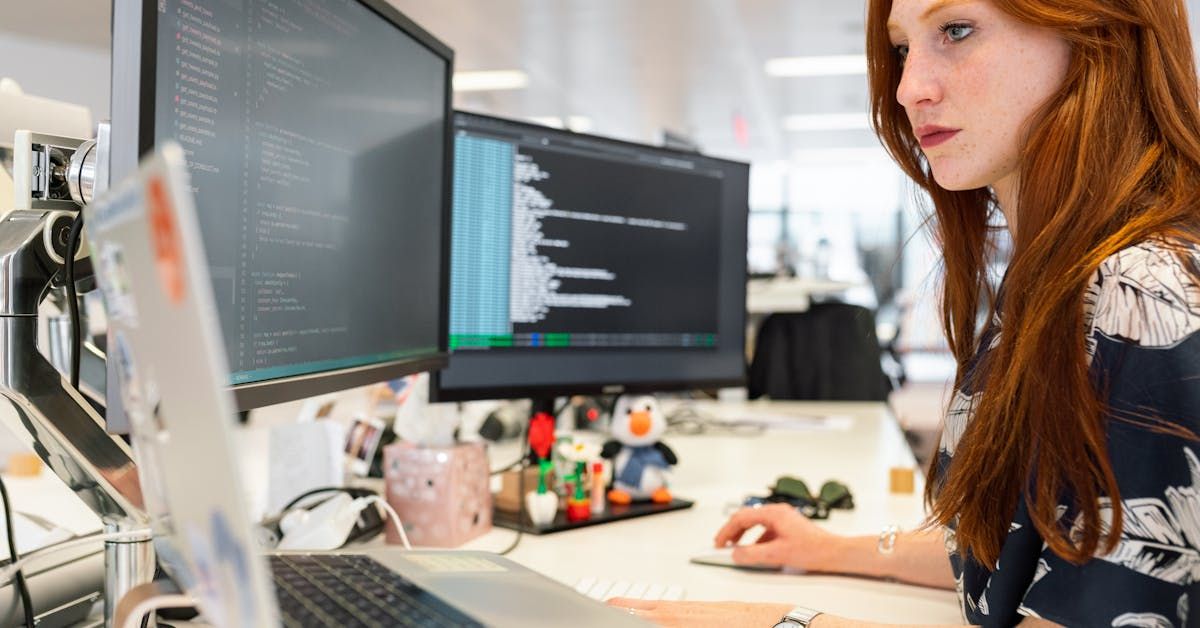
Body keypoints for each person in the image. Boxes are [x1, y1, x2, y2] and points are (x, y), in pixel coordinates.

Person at [609, 0, 1200, 625]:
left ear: (1098, 34)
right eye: (901, 49)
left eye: (957, 30)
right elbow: (1022, 550)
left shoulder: (1145, 292)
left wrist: (782, 622)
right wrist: (828, 548)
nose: (908, 88)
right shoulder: (1054, 279)